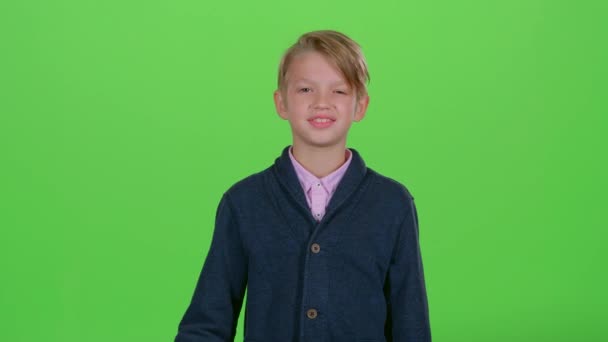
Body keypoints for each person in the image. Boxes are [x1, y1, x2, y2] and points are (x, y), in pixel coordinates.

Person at [175, 29, 431, 342]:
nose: (322, 102)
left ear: (360, 106)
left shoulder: (393, 204)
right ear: (281, 103)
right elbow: (207, 323)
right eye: (306, 89)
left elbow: (411, 325)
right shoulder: (243, 203)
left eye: (339, 91)